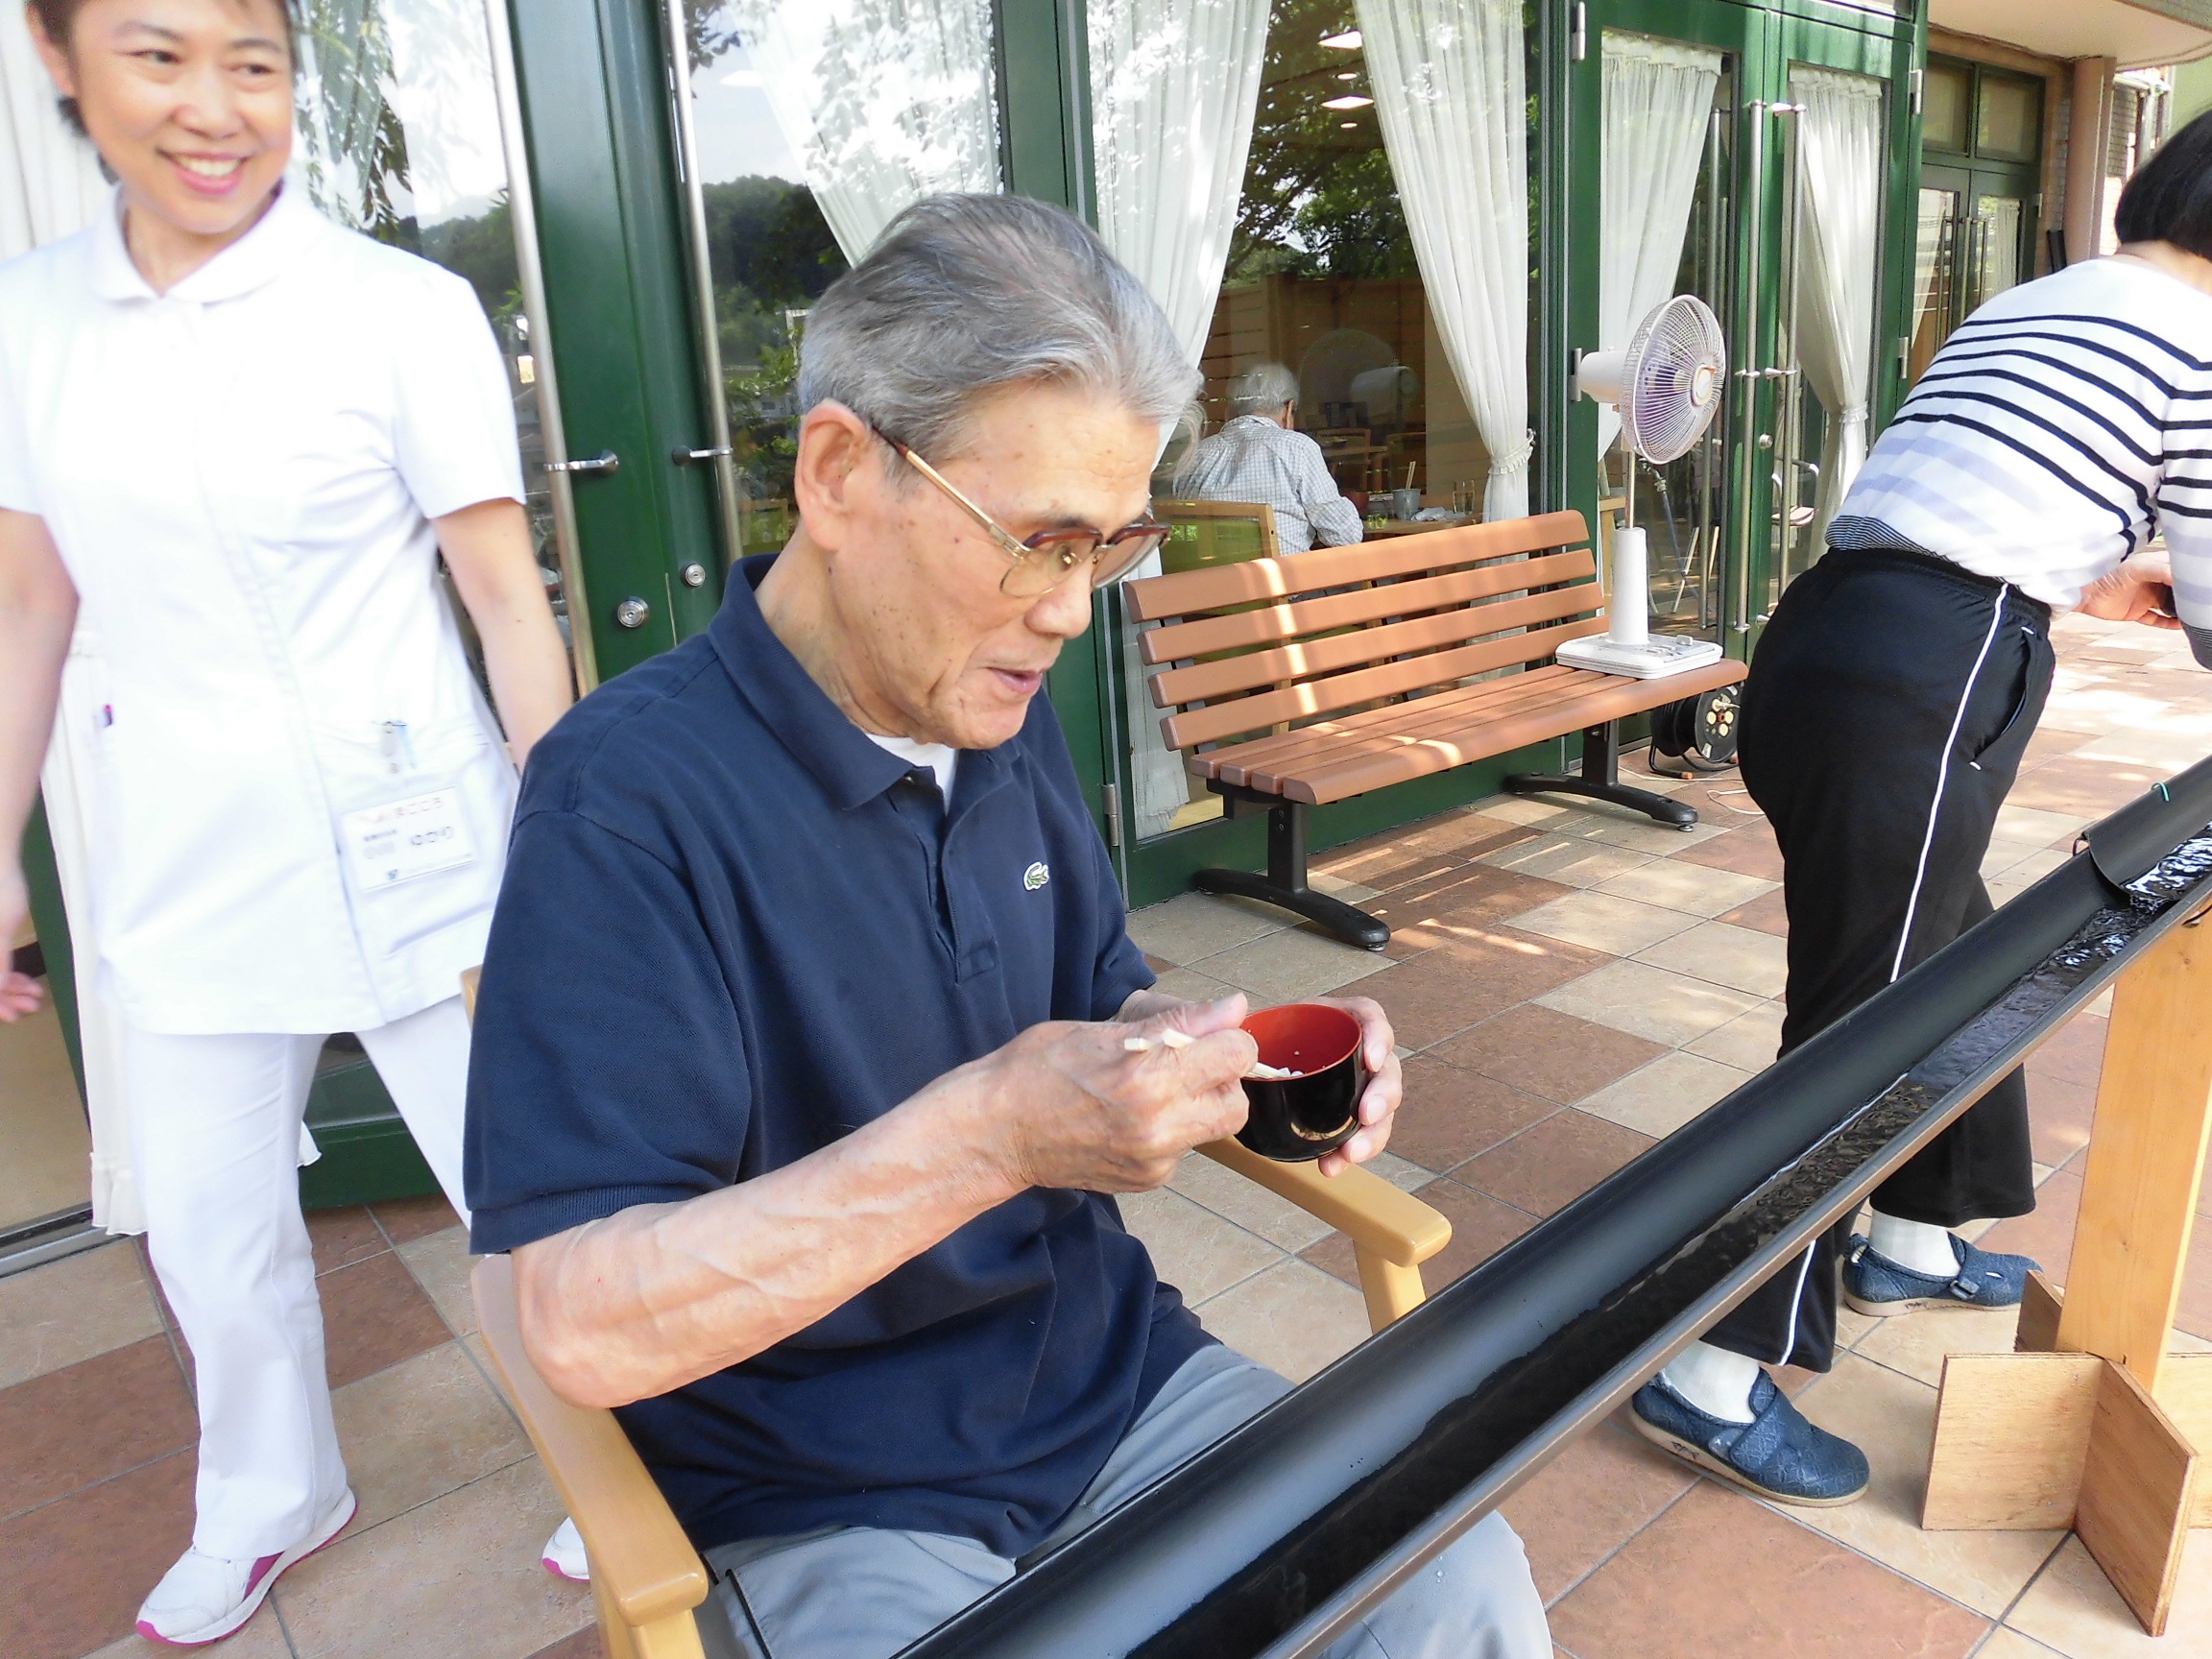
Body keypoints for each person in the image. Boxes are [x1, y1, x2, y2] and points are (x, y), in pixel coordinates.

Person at [464, 194, 1551, 1659]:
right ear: (839, 475)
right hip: (828, 1491)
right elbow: (578, 1318)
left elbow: (1102, 996)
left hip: (1116, 1388)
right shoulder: (624, 804)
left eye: (1109, 546)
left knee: (1456, 1587)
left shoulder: (994, 708)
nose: (1071, 611)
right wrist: (989, 1135)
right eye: (1039, 541)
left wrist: (1204, 1052)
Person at [0, 0, 573, 1642]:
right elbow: (27, 606)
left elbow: (502, 597)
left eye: (252, 64)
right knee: (205, 1217)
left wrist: (573, 833)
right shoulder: (27, 323)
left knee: (532, 1188)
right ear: (60, 59)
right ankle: (269, 1493)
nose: (214, 106)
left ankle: (625, 1457)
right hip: (183, 850)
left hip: (426, 836)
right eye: (158, 54)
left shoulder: (397, 310)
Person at [1631, 110, 2212, 1504]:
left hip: (1832, 634)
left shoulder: (2042, 298)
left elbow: (1998, 501)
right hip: (1928, 673)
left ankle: (1913, 1228)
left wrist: (2116, 573)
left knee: (1971, 960)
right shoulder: (2205, 348)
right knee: (1865, 1033)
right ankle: (1709, 1371)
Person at [1177, 362, 1365, 553]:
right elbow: (1345, 536)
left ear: (1230, 411)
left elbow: (1182, 534)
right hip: (1280, 573)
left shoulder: (1194, 456)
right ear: (1288, 409)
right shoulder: (1297, 448)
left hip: (1213, 573)